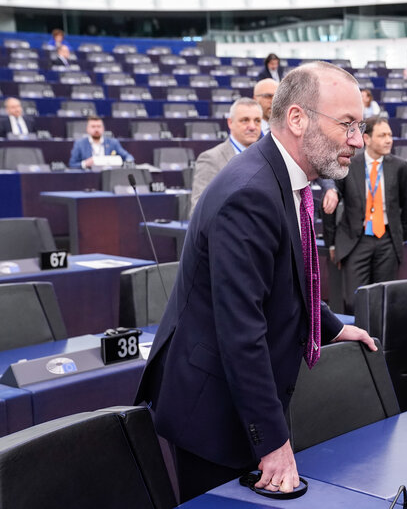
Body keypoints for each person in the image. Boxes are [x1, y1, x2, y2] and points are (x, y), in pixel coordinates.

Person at [134, 61, 376, 503]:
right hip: (211, 410)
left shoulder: (288, 180)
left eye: (360, 126)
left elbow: (289, 274)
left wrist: (334, 326)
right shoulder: (250, 193)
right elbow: (241, 330)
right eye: (347, 125)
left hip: (236, 395)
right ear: (298, 119)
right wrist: (272, 443)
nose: (357, 141)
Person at [323, 116, 407, 313]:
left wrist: (401, 237)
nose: (389, 140)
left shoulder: (400, 166)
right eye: (382, 135)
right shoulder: (348, 164)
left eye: (390, 135)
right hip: (356, 240)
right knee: (354, 300)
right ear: (366, 139)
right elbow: (330, 203)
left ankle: (379, 342)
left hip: (387, 240)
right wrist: (331, 242)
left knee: (384, 299)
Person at [190, 98, 263, 214]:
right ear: (230, 123)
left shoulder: (267, 159)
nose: (252, 126)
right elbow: (199, 210)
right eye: (245, 120)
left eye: (257, 121)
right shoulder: (211, 159)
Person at [69, 116, 134, 169]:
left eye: (99, 126)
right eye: (93, 126)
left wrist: (127, 163)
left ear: (103, 129)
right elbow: (72, 164)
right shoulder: (80, 144)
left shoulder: (113, 142)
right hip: (89, 177)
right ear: (87, 129)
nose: (96, 129)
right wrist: (85, 163)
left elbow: (128, 157)